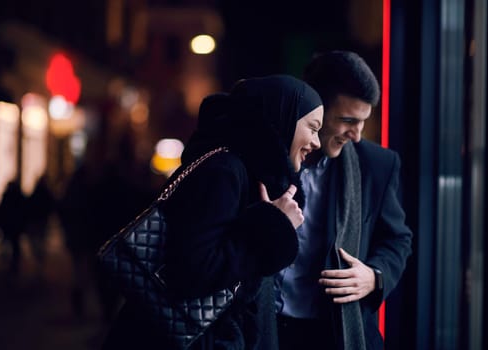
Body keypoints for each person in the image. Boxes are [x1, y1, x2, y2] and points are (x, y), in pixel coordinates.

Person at [101, 74, 324, 350]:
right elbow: (192, 270)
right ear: (283, 119)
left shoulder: (249, 175)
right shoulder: (224, 171)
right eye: (312, 128)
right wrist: (274, 225)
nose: (317, 143)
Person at [269, 51, 413, 350]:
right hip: (266, 328)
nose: (357, 135)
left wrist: (374, 277)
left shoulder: (378, 165)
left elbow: (397, 240)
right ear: (315, 109)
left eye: (362, 122)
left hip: (334, 333)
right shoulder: (266, 159)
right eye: (347, 120)